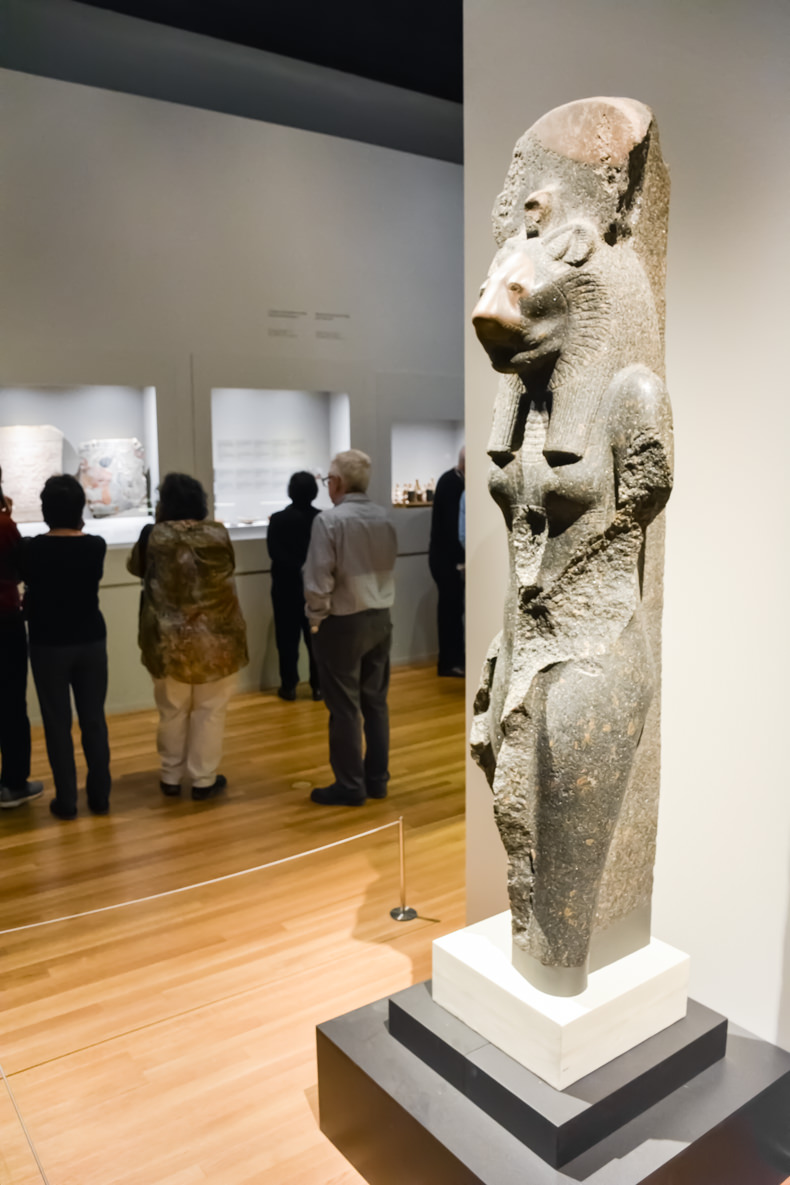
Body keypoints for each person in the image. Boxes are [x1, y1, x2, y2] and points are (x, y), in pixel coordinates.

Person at [128, 473, 248, 801]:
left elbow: (135, 568)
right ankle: (203, 780)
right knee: (210, 711)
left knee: (171, 708)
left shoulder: (152, 535)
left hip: (168, 642)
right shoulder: (218, 533)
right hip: (218, 640)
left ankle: (170, 775)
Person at [303, 449, 397, 807]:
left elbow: (318, 578)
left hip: (342, 620)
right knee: (375, 702)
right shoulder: (383, 518)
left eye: (329, 480)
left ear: (337, 483)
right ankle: (377, 779)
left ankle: (349, 783)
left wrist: (316, 618)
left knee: (344, 707)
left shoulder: (330, 521)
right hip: (380, 616)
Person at [22, 475, 110, 820]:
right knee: (94, 720)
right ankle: (100, 796)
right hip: (91, 639)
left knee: (57, 722)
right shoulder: (97, 545)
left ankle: (68, 801)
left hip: (48, 642)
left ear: (45, 509)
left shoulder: (32, 548)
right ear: (80, 508)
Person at [0, 468, 44, 809]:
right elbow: (17, 567)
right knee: (12, 703)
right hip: (4, 619)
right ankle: (13, 784)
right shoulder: (4, 526)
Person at [267, 471, 321, 701]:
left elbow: (274, 553)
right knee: (316, 640)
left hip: (285, 587)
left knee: (286, 640)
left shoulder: (278, 519)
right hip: (315, 587)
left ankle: (288, 685)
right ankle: (319, 686)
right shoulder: (322, 519)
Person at [428, 445, 465, 677]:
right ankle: (451, 662)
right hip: (447, 561)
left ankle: (453, 660)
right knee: (451, 611)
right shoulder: (452, 483)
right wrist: (460, 562)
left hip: (447, 559)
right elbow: (453, 530)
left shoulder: (451, 480)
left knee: (452, 610)